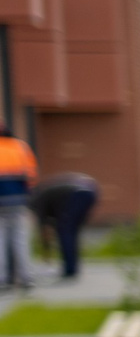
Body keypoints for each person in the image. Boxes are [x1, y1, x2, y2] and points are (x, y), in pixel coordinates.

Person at [33, 170, 98, 281]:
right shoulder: (47, 195)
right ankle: (72, 267)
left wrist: (46, 256)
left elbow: (44, 231)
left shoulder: (38, 202)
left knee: (65, 232)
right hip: (90, 191)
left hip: (77, 194)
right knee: (71, 232)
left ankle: (69, 270)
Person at [0, 124, 34, 290]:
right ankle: (25, 277)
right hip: (18, 201)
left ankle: (3, 279)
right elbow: (32, 176)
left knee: (1, 240)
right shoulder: (20, 147)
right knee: (20, 239)